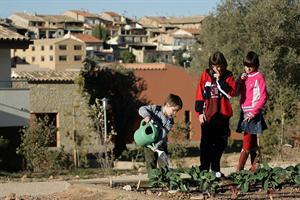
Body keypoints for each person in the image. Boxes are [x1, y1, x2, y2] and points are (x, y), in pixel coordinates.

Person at [195, 51, 236, 176]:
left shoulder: (228, 76)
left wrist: (220, 81)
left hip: (222, 115)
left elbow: (231, 93)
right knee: (206, 144)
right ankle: (204, 170)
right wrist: (199, 113)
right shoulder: (205, 74)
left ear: (223, 65)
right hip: (208, 115)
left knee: (221, 144)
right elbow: (199, 93)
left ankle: (215, 169)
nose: (216, 69)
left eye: (218, 66)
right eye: (213, 66)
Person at [236, 51, 268, 172]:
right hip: (244, 111)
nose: (248, 68)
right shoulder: (244, 76)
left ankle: (239, 170)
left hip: (252, 113)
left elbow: (263, 97)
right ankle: (255, 169)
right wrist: (239, 80)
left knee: (246, 141)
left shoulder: (259, 76)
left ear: (256, 65)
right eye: (246, 65)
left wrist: (253, 113)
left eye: (250, 66)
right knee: (253, 142)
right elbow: (236, 92)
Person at [138, 93, 183, 172]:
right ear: (168, 105)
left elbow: (163, 134)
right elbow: (141, 109)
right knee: (151, 163)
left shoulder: (170, 121)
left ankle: (164, 182)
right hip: (148, 142)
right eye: (174, 110)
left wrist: (157, 145)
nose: (175, 113)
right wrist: (147, 116)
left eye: (177, 111)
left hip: (161, 144)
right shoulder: (155, 109)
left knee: (164, 165)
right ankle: (153, 181)